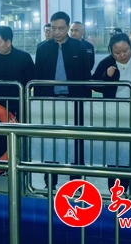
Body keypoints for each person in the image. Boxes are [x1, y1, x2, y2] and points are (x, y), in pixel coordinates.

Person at [91, 31, 131, 190]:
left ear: (130, 47)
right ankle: (118, 188)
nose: (122, 55)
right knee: (116, 150)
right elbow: (93, 83)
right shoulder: (106, 63)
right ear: (111, 51)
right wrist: (106, 77)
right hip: (115, 114)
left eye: (125, 50)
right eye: (117, 52)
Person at [35, 12, 91, 167]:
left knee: (76, 138)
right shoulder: (42, 49)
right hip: (49, 100)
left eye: (60, 28)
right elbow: (38, 78)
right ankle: (50, 176)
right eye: (53, 28)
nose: (56, 32)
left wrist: (86, 101)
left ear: (67, 28)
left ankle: (77, 172)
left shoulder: (79, 47)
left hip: (75, 100)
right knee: (50, 139)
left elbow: (86, 75)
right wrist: (37, 102)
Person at [0, 26, 35, 158]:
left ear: (9, 42)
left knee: (18, 137)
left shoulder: (24, 57)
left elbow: (32, 80)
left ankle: (20, 162)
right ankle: (0, 165)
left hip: (17, 106)